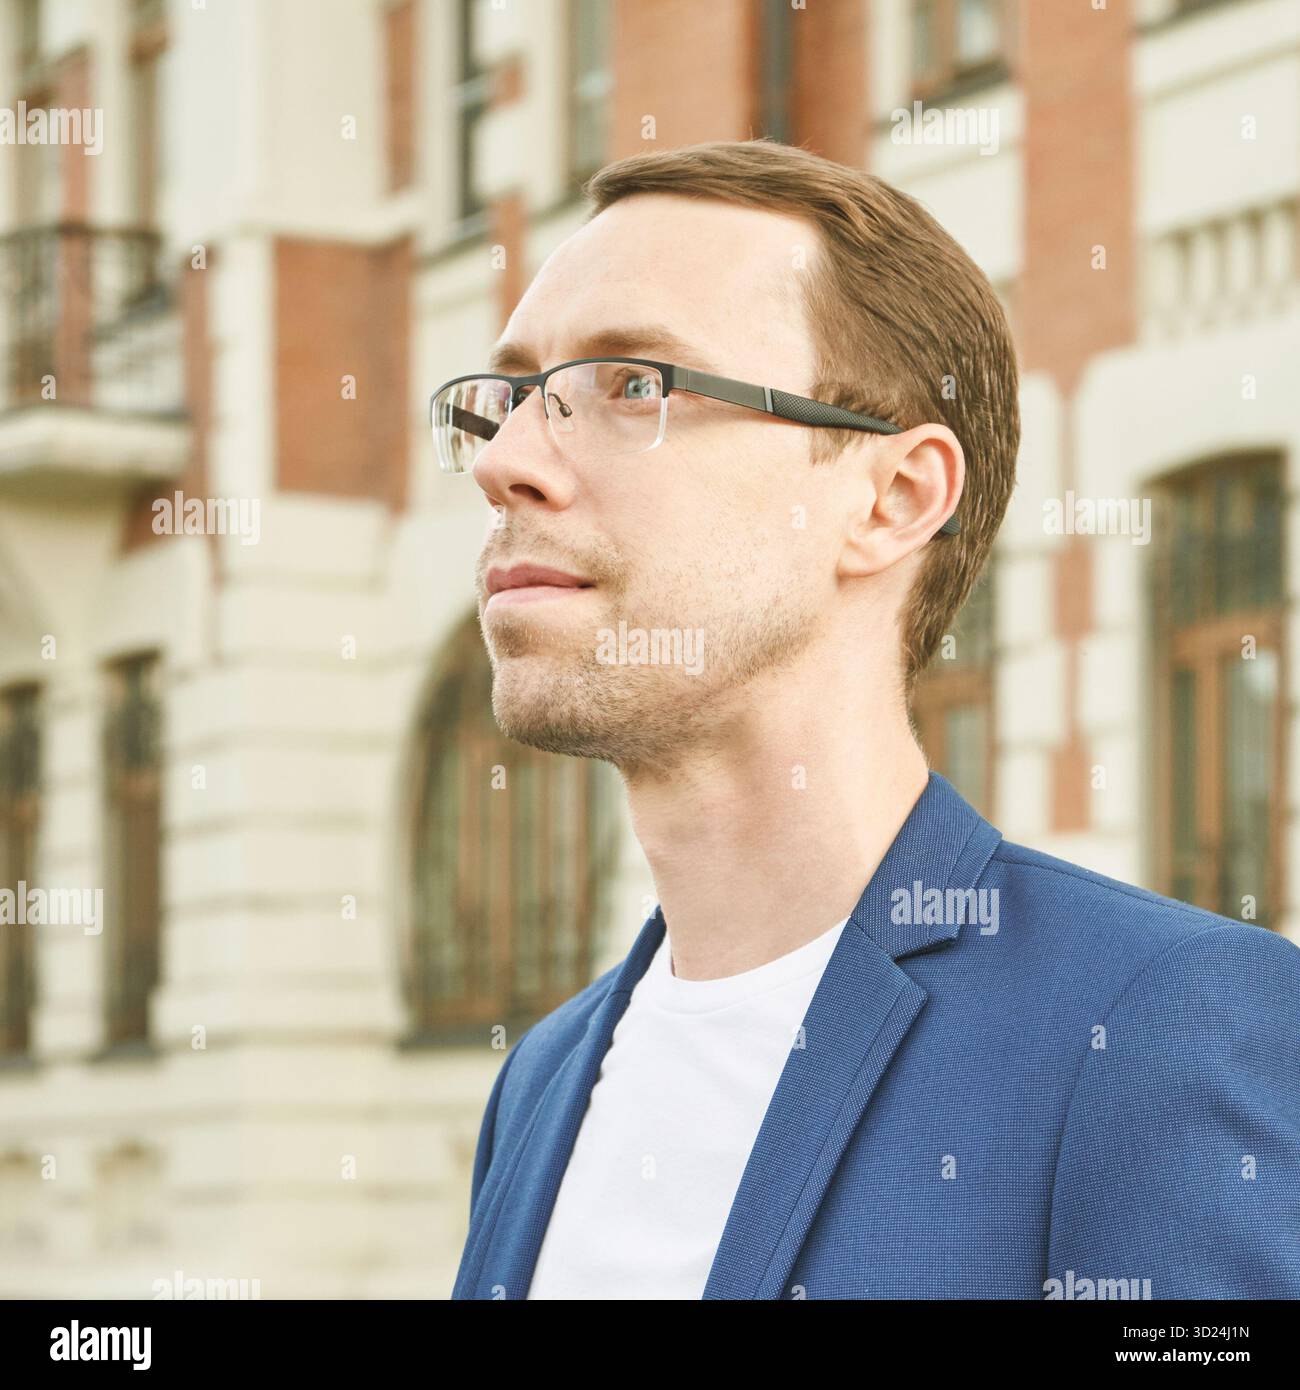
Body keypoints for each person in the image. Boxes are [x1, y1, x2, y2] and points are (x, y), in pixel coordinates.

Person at [438, 140, 1300, 1300]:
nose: (507, 461)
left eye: (634, 384)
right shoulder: (539, 1081)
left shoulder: (1151, 1026)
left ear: (892, 500)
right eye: (509, 399)